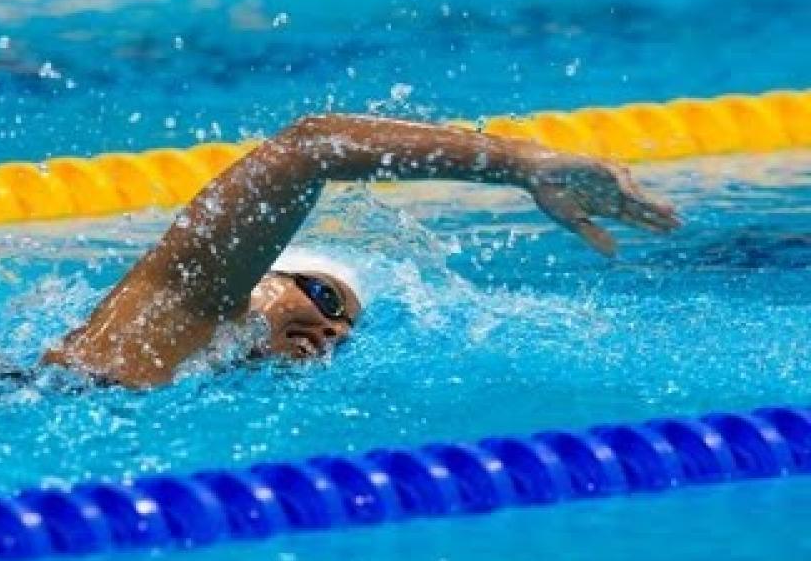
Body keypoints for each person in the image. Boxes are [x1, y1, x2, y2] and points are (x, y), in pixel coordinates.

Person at [41, 114, 681, 388]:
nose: (330, 327)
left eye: (345, 325)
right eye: (324, 296)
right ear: (261, 275)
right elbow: (309, 146)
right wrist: (520, 163)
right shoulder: (170, 323)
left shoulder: (194, 373)